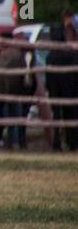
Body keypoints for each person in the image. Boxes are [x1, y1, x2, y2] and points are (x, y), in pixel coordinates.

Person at [46, 20, 78, 152]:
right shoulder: (71, 54)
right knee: (70, 115)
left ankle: (57, 143)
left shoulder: (50, 56)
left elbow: (49, 76)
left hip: (55, 90)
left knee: (56, 115)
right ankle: (72, 143)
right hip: (70, 89)